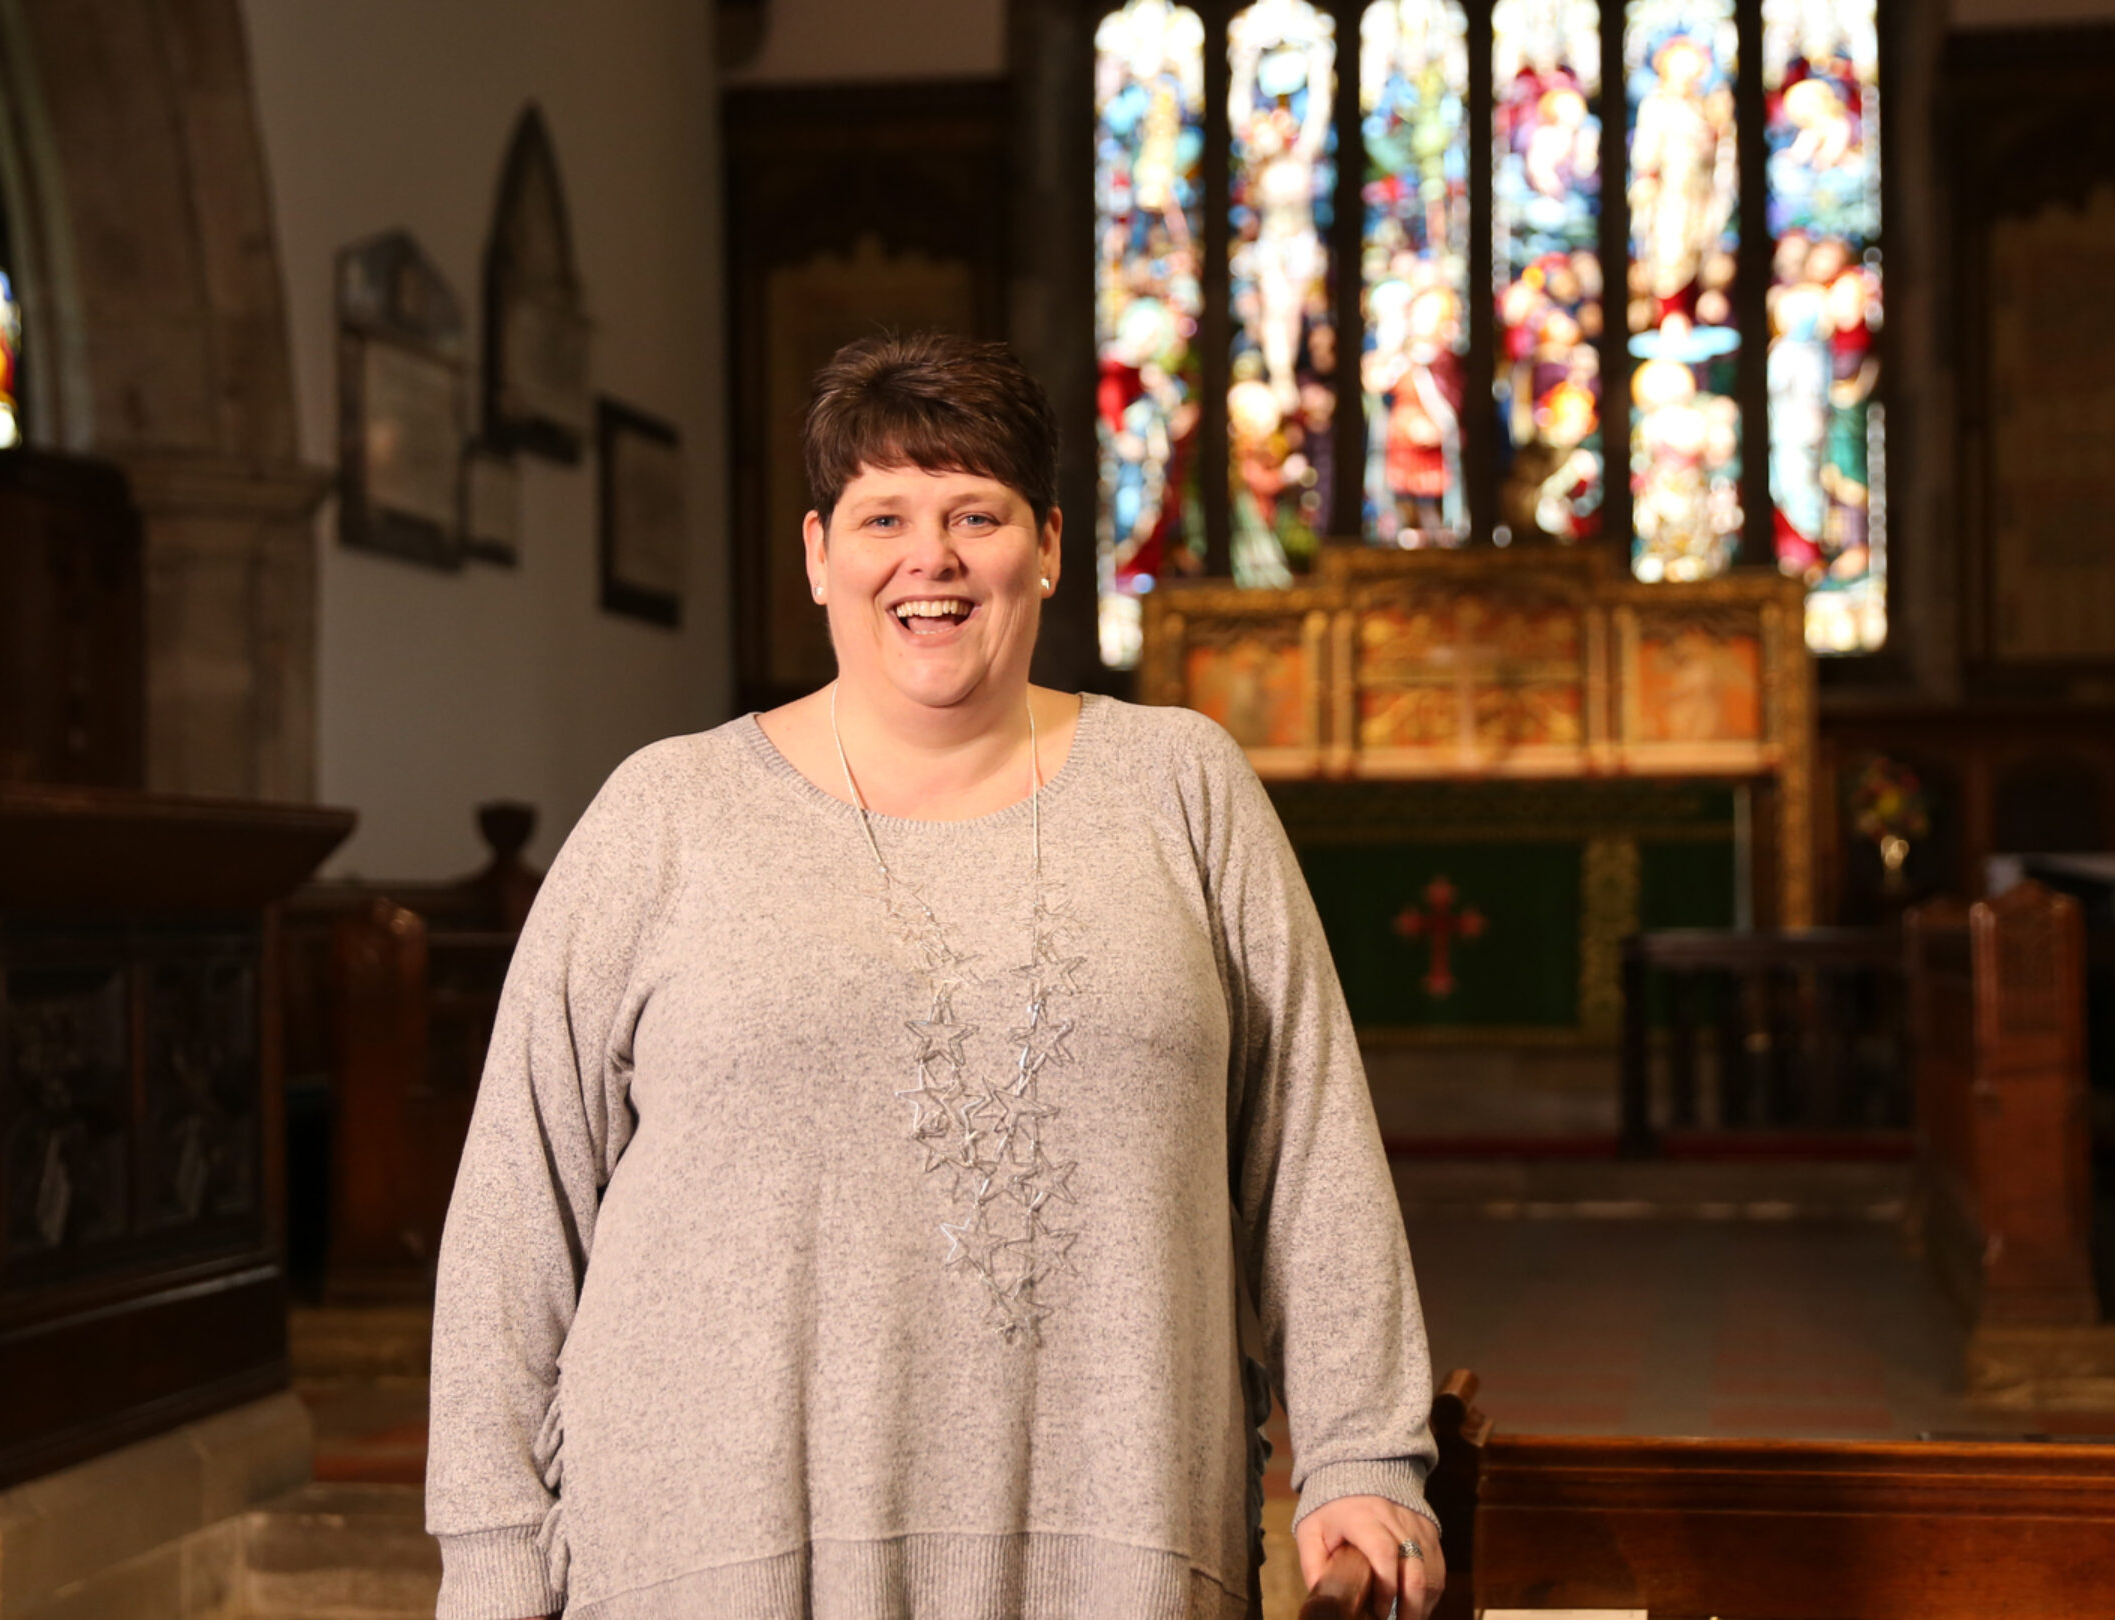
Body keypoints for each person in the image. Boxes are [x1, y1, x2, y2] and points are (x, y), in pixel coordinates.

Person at [426, 331, 1444, 1620]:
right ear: (817, 556)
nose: (933, 560)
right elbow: (518, 1208)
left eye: (979, 513)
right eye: (883, 517)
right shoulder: (665, 814)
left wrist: (1360, 1453)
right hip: (714, 1555)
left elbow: (1308, 1147)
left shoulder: (1182, 786)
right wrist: (496, 1552)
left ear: (1053, 545)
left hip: (1111, 1541)